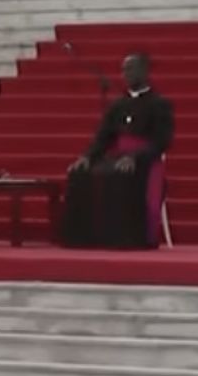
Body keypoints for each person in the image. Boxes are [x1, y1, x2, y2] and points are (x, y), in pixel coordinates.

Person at [60, 53, 175, 249]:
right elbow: (104, 136)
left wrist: (135, 157)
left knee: (129, 179)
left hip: (146, 159)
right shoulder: (118, 104)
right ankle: (89, 236)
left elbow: (161, 140)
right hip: (118, 157)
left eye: (130, 69)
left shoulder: (159, 104)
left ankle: (135, 238)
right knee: (82, 174)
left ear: (144, 71)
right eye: (123, 70)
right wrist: (88, 156)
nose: (125, 74)